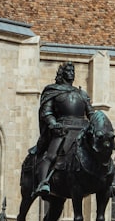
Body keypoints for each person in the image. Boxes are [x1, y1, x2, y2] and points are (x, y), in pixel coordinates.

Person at [34, 61, 92, 196]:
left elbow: (91, 113)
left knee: (100, 150)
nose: (72, 73)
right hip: (62, 129)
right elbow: (46, 112)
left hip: (82, 129)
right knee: (51, 155)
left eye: (73, 71)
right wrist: (53, 124)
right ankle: (43, 182)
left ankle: (109, 182)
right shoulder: (53, 90)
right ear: (62, 73)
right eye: (69, 71)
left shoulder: (82, 94)